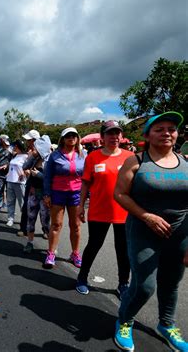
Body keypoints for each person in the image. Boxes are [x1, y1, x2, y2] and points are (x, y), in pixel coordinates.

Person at [113, 111, 188, 352]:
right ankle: (124, 319)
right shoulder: (136, 161)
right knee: (144, 286)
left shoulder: (186, 162)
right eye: (159, 129)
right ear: (147, 134)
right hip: (143, 230)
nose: (167, 132)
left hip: (180, 233)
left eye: (171, 128)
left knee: (172, 281)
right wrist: (147, 216)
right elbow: (120, 194)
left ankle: (166, 324)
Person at [75, 121, 133, 296]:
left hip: (124, 211)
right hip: (99, 210)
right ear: (102, 137)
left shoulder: (130, 157)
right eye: (110, 133)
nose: (114, 137)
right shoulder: (93, 157)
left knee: (123, 250)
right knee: (94, 245)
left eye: (117, 133)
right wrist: (80, 206)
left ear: (121, 136)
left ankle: (123, 284)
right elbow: (85, 183)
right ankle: (82, 278)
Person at [43, 127, 86, 269]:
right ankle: (51, 253)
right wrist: (47, 194)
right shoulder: (54, 155)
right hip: (58, 193)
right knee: (56, 224)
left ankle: (75, 253)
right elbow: (47, 176)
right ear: (63, 138)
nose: (71, 138)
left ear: (77, 138)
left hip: (75, 194)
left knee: (75, 226)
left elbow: (87, 177)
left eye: (74, 135)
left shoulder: (82, 155)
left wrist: (86, 196)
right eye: (68, 135)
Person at [23, 135, 51, 253]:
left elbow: (52, 179)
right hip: (33, 193)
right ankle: (30, 243)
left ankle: (52, 247)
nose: (34, 148)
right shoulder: (35, 158)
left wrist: (38, 175)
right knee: (31, 219)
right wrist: (32, 156)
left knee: (45, 221)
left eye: (36, 147)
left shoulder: (50, 160)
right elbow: (24, 166)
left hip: (45, 196)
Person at [19, 129, 41, 237]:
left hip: (42, 184)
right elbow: (25, 166)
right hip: (30, 182)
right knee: (27, 206)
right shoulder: (30, 152)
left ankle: (46, 230)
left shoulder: (45, 151)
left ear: (34, 140)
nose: (27, 142)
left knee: (44, 209)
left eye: (29, 140)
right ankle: (24, 229)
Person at [5, 140, 28, 227]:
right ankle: (10, 218)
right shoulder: (15, 155)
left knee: (22, 202)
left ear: (18, 147)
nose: (13, 147)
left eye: (15, 146)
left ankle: (24, 221)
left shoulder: (26, 156)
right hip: (10, 181)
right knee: (10, 201)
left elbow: (28, 168)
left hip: (20, 182)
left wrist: (24, 173)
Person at [0, 135, 12, 216]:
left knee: (9, 192)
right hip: (0, 174)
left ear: (3, 140)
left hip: (10, 174)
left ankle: (10, 209)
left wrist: (7, 166)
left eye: (0, 140)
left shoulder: (11, 150)